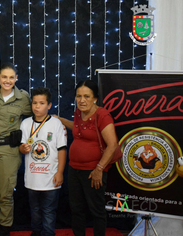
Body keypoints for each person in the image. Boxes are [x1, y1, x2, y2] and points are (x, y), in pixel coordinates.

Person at [54, 80, 118, 236]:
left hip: (93, 171)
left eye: (86, 96)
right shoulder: (78, 113)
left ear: (95, 98)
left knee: (96, 209)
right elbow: (76, 127)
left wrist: (99, 169)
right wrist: (60, 120)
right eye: (78, 96)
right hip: (74, 169)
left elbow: (113, 144)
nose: (82, 100)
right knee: (76, 209)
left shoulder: (102, 115)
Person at [0, 62, 32, 236]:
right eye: (4, 77)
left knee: (5, 194)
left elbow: (34, 120)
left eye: (11, 77)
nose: (7, 81)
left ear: (16, 78)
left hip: (10, 150)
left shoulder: (23, 98)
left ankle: (5, 228)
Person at [19, 87, 67, 236]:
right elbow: (21, 147)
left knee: (48, 210)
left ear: (49, 105)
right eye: (34, 103)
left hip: (50, 178)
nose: (37, 106)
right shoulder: (26, 123)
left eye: (41, 103)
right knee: (34, 210)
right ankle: (36, 232)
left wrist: (60, 172)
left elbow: (62, 149)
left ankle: (47, 233)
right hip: (32, 178)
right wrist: (23, 149)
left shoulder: (56, 124)